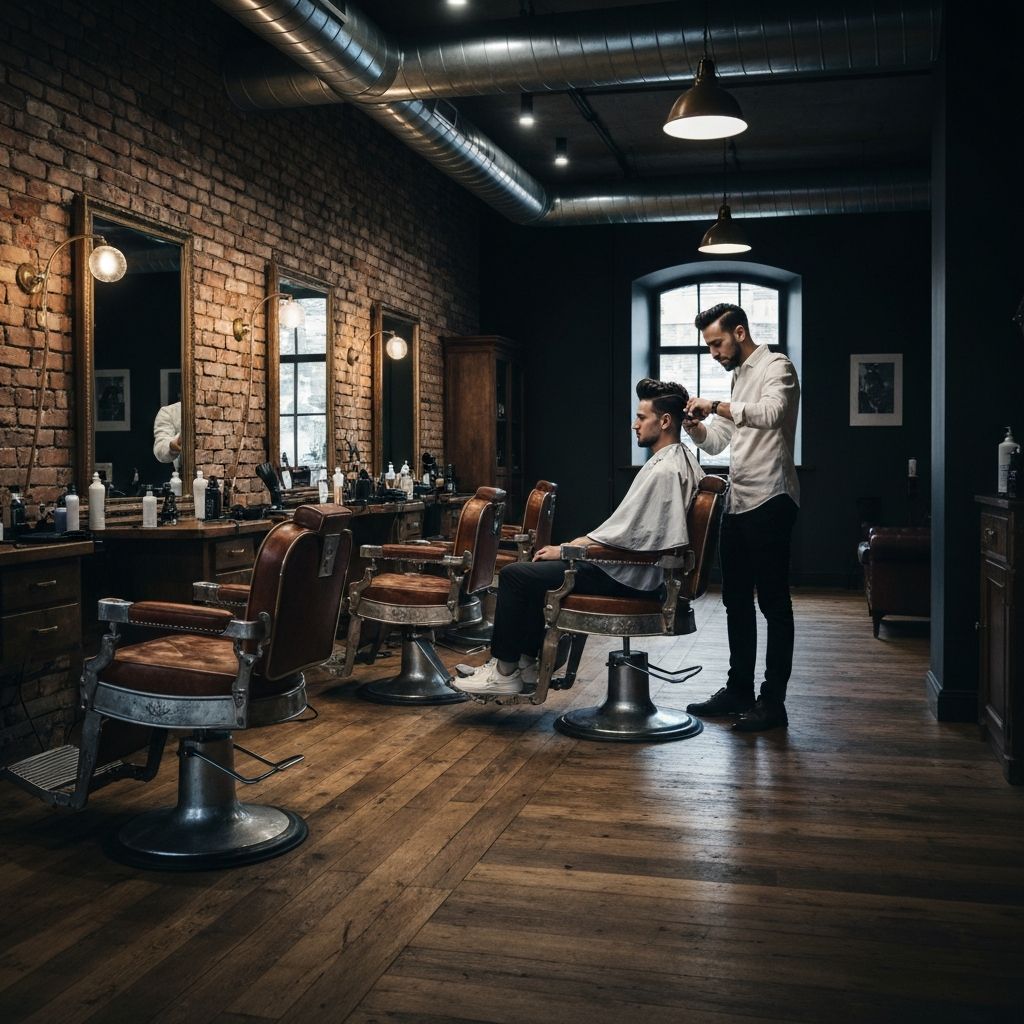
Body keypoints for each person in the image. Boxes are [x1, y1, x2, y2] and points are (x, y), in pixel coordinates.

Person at [455, 378, 704, 697]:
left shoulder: (665, 472)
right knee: (535, 574)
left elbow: (635, 540)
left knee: (517, 575)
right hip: (641, 573)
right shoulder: (678, 462)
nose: (634, 424)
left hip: (631, 578)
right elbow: (633, 533)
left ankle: (504, 670)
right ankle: (526, 664)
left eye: (642, 417)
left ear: (665, 421)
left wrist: (569, 550)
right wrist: (573, 549)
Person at [682, 303, 800, 732]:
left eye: (716, 343)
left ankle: (773, 703)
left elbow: (771, 415)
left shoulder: (777, 367)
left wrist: (714, 404)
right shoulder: (738, 376)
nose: (713, 352)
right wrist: (694, 425)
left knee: (773, 604)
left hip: (772, 499)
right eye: (709, 346)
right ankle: (739, 691)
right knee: (735, 603)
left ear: (739, 331)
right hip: (739, 502)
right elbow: (717, 444)